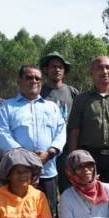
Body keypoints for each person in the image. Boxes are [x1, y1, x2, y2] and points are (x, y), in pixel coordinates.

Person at [0, 65, 66, 218]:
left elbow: (61, 132)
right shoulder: (8, 106)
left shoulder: (52, 107)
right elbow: (1, 133)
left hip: (47, 170)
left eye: (37, 78)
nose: (33, 80)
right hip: (18, 173)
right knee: (20, 216)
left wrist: (50, 152)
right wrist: (26, 159)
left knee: (48, 214)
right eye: (29, 77)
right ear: (19, 81)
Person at [67, 56, 109, 201]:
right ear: (91, 73)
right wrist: (74, 162)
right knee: (90, 200)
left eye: (108, 67)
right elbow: (74, 132)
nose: (104, 71)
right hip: (89, 159)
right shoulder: (81, 100)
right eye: (99, 68)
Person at [39, 52, 79, 194]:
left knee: (68, 189)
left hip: (67, 149)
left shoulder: (72, 92)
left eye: (60, 67)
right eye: (53, 67)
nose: (57, 70)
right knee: (45, 190)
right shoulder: (39, 92)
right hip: (45, 150)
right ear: (45, 70)